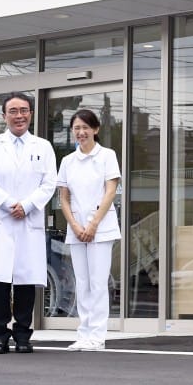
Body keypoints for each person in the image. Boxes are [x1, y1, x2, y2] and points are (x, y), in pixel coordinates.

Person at [0, 92, 57, 355]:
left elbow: (49, 183)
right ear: (4, 116)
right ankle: (0, 335)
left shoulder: (43, 146)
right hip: (2, 220)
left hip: (28, 221)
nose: (19, 116)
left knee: (25, 281)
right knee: (0, 282)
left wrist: (28, 205)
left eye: (23, 110)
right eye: (13, 111)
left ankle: (23, 335)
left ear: (31, 114)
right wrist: (10, 204)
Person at [56, 109, 121, 351]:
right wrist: (75, 225)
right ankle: (83, 333)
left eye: (85, 127)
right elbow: (63, 198)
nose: (81, 132)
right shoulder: (67, 161)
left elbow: (110, 192)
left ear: (95, 129)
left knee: (98, 282)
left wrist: (93, 224)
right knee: (81, 283)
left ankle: (97, 335)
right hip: (77, 229)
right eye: (77, 128)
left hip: (101, 228)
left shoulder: (107, 156)